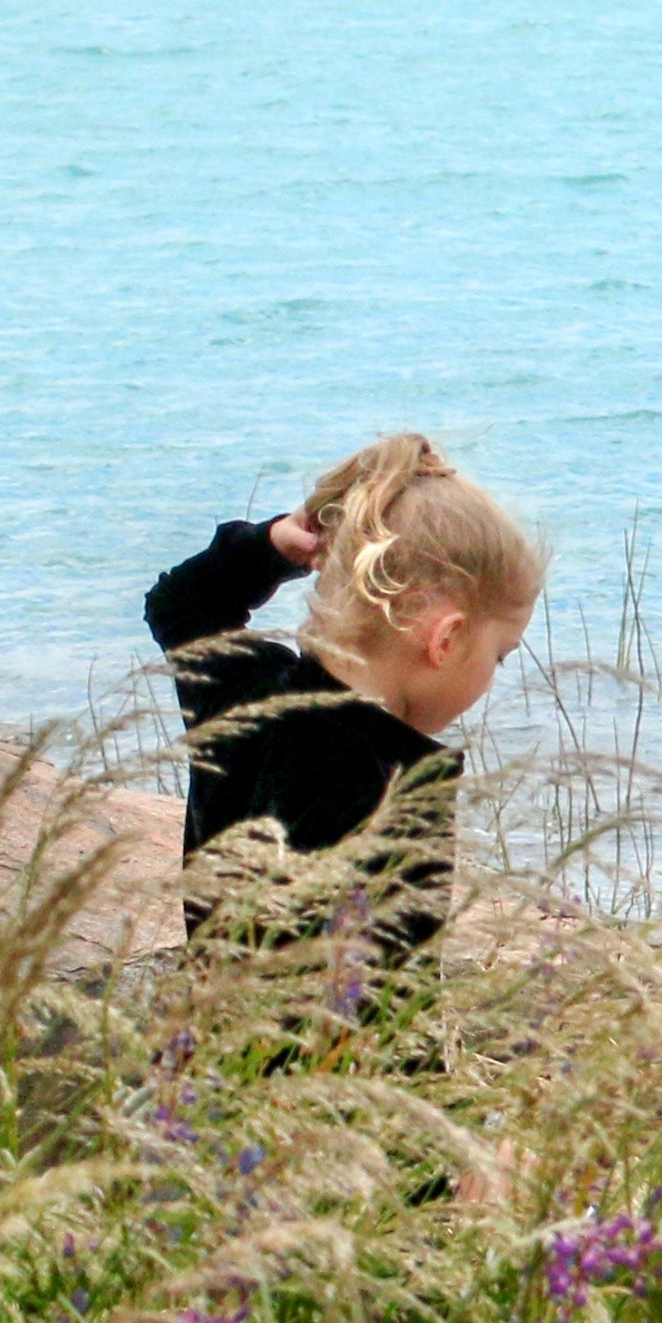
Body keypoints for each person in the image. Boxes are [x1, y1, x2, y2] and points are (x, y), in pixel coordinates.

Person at [143, 433, 544, 1016]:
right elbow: (386, 1002)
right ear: (446, 639)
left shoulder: (249, 695)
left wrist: (273, 546)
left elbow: (181, 604)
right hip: (312, 1093)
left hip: (208, 1059)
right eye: (499, 655)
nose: (493, 675)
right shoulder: (393, 792)